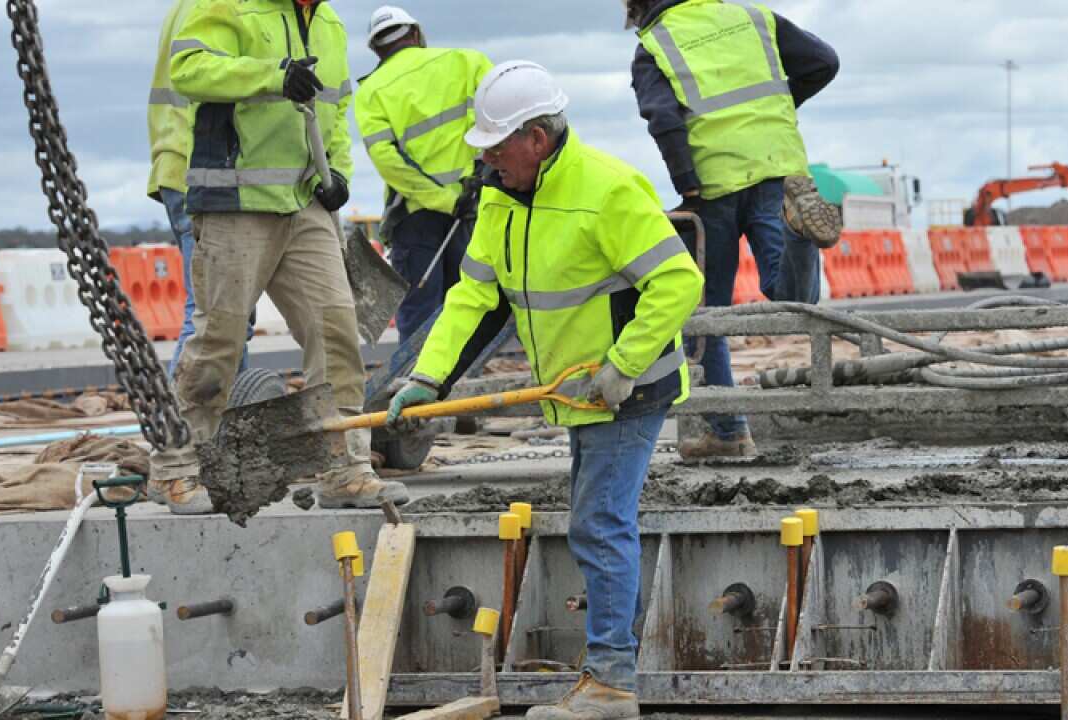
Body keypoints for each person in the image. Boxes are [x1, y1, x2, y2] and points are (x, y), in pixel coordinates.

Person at [387, 61, 702, 720]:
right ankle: (606, 677)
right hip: (576, 393)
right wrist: (424, 377)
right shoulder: (500, 199)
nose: (490, 157)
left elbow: (678, 281)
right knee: (599, 521)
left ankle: (612, 685)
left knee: (600, 522)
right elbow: (472, 296)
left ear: (538, 136)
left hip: (628, 388)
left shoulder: (607, 189)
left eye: (498, 145)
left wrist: (621, 365)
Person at [155, 0, 409, 514]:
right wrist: (272, 76)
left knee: (335, 328)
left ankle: (344, 466)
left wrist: (335, 174)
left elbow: (335, 114)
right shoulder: (226, 6)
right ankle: (177, 468)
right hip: (235, 200)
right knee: (219, 338)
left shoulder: (330, 26)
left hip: (305, 202)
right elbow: (188, 70)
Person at [626, 0, 840, 458]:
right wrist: (777, 107)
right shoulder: (752, 18)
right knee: (791, 299)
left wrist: (687, 183)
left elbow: (663, 118)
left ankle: (728, 433)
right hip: (777, 167)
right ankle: (799, 233)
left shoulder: (655, 43)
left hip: (711, 184)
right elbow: (824, 62)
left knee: (704, 314)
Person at [354, 6, 493, 342]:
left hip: (417, 220)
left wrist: (444, 201)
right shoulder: (467, 61)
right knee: (471, 306)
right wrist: (473, 183)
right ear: (415, 34)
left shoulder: (371, 92)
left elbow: (389, 161)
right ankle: (462, 386)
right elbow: (493, 121)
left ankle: (420, 391)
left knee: (420, 318)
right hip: (473, 209)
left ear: (376, 49)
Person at [146, 0, 254, 381]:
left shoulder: (183, 8)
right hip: (203, 170)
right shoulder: (220, 7)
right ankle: (185, 425)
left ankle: (223, 424)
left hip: (179, 165)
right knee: (214, 318)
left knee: (224, 317)